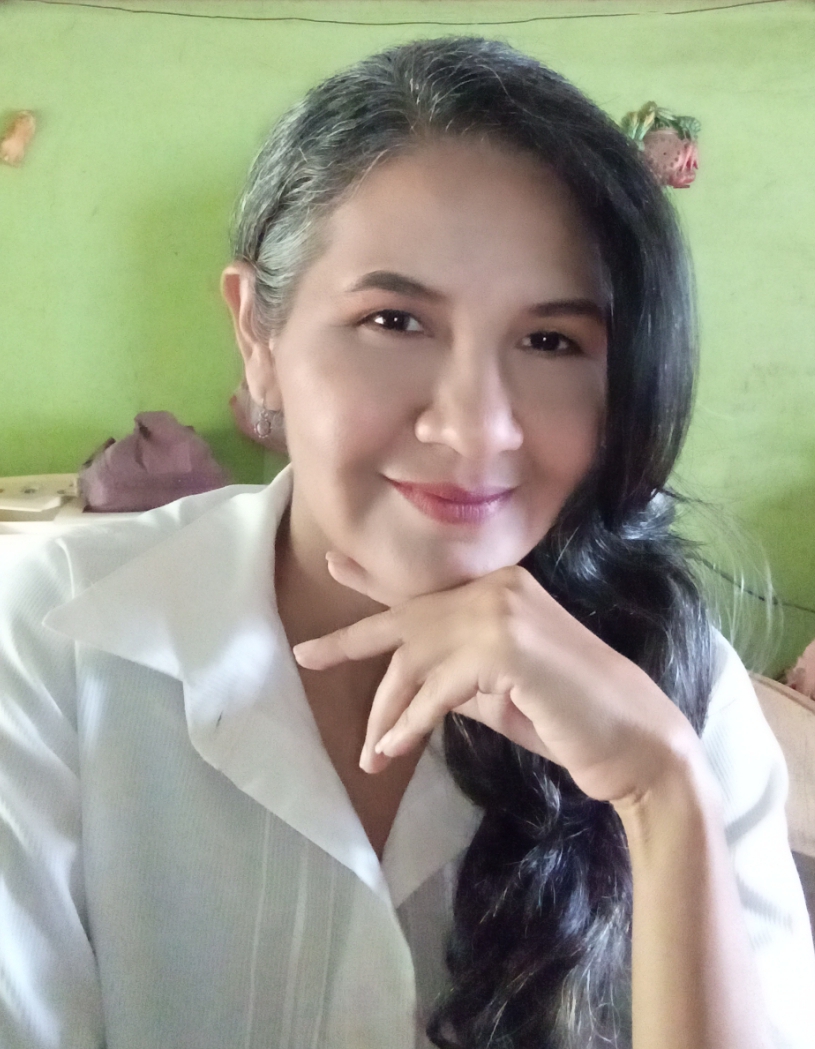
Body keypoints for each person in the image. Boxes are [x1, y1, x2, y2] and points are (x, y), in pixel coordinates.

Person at [1, 35, 813, 1049]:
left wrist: (661, 796)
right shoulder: (54, 643)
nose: (472, 428)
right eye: (393, 320)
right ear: (257, 336)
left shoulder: (675, 687)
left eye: (551, 341)